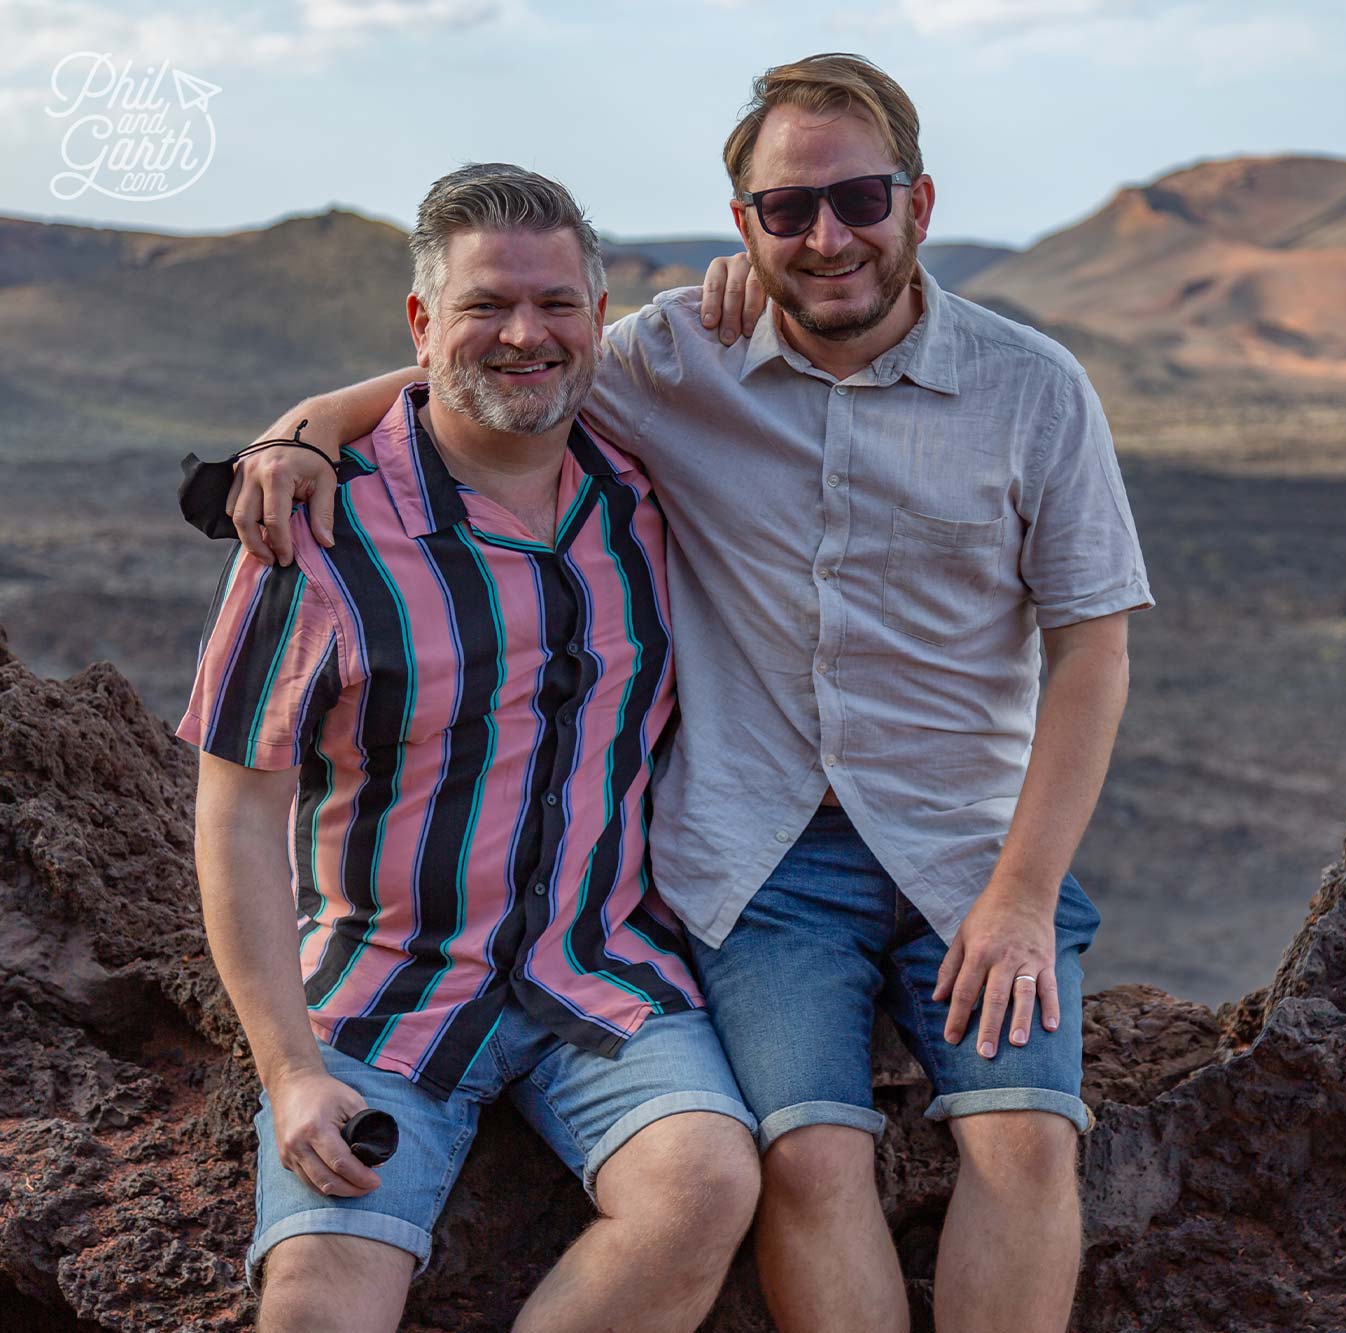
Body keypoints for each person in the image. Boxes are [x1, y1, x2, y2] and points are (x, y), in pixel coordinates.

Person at [204, 53, 1152, 1333]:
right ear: (744, 227)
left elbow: (1091, 646)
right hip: (700, 872)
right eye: (786, 210)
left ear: (918, 205)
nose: (827, 236)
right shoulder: (648, 369)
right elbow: (486, 376)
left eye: (860, 200)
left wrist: (1025, 896)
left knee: (1017, 1138)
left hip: (925, 854)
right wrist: (306, 429)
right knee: (805, 1157)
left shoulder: (1023, 389)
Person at [181, 163, 761, 1333]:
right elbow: (237, 812)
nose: (524, 334)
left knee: (706, 1181)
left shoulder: (648, 491)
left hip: (602, 973)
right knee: (316, 1311)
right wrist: (291, 1070)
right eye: (485, 304)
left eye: (556, 305)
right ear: (421, 323)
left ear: (598, 319)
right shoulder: (322, 536)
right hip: (383, 993)